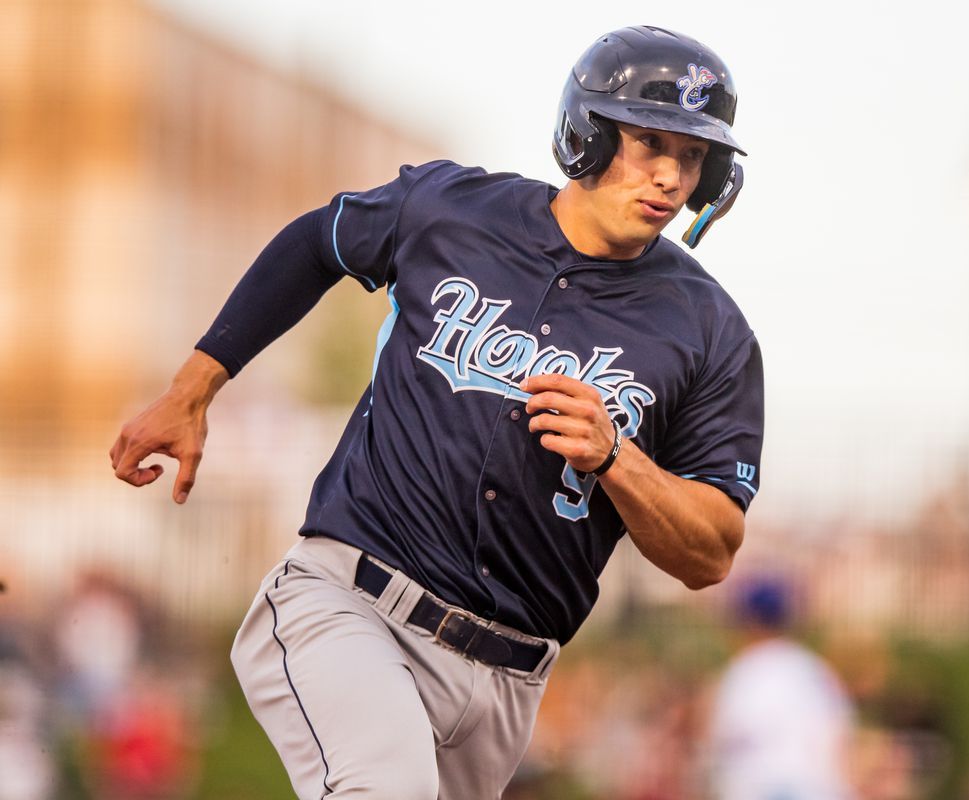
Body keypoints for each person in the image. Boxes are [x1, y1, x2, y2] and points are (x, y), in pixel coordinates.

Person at [110, 25, 763, 799]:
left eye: (692, 155)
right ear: (585, 134)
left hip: (505, 684)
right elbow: (320, 242)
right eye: (649, 141)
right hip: (352, 605)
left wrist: (616, 457)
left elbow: (712, 550)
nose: (669, 175)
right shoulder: (453, 211)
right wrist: (192, 392)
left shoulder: (710, 330)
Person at [706, 576, 855, 800]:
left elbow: (723, 737)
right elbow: (842, 737)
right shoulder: (814, 668)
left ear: (749, 621)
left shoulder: (746, 671)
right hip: (820, 789)